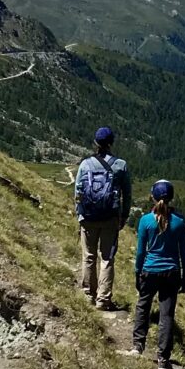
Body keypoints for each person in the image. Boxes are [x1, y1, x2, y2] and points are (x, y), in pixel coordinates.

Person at [132, 179, 185, 369]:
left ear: (152, 196)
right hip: (172, 272)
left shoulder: (146, 220)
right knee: (167, 315)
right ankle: (163, 360)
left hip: (150, 270)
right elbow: (184, 253)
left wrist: (138, 272)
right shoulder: (180, 222)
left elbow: (141, 251)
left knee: (143, 306)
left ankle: (138, 346)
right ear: (171, 198)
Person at [74, 127, 131, 311]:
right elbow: (127, 194)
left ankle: (87, 295)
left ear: (95, 143)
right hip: (110, 218)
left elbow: (78, 192)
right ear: (111, 143)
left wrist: (79, 214)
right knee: (107, 258)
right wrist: (124, 216)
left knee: (88, 257)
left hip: (88, 216)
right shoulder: (120, 165)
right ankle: (103, 300)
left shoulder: (85, 164)